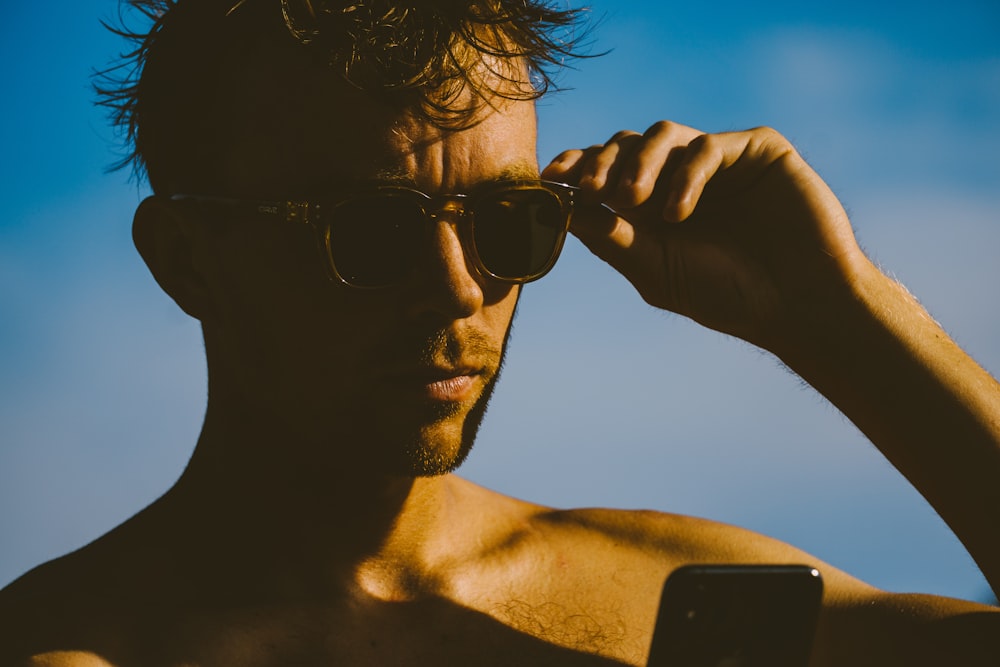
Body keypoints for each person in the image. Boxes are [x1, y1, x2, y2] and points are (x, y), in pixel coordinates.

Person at [2, 0, 998, 664]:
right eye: (369, 231)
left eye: (508, 223)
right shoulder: (62, 640)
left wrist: (843, 318)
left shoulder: (667, 608)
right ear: (187, 257)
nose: (456, 291)